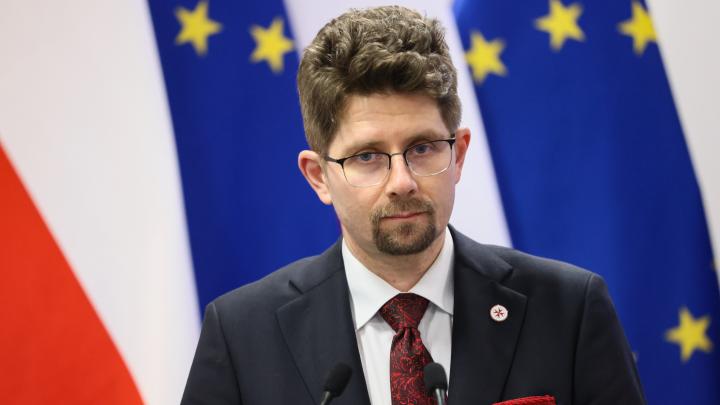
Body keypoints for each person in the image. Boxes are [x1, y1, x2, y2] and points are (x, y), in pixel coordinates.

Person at [181, 6, 645, 405]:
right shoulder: (242, 335)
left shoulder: (569, 311)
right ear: (318, 176)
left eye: (423, 148)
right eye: (367, 156)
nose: (402, 182)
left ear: (458, 154)